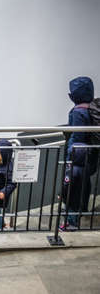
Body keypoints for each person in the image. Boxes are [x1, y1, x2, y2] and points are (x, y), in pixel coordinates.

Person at [60, 76, 96, 231]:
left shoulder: (78, 112)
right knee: (84, 185)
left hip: (78, 157)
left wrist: (70, 156)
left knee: (72, 190)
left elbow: (77, 137)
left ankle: (71, 222)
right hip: (91, 155)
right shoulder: (93, 109)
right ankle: (82, 210)